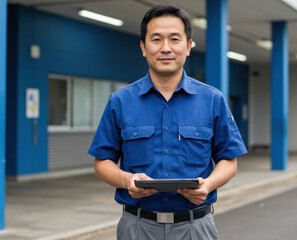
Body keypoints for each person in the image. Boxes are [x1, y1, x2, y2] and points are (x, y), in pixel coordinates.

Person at [88, 4, 247, 240]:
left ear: (189, 46)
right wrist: (127, 179)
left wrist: (209, 185)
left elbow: (229, 160)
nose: (165, 48)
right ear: (143, 47)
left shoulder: (212, 99)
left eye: (174, 39)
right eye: (156, 40)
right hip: (137, 227)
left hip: (196, 227)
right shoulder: (120, 101)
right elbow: (102, 163)